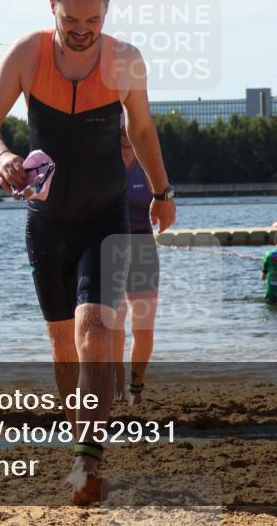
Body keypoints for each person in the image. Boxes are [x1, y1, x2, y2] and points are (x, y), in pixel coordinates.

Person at [0, 0, 176, 505]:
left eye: (93, 20)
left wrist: (162, 193)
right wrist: (2, 155)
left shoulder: (125, 61)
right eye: (71, 21)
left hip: (105, 216)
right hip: (46, 222)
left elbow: (143, 130)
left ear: (106, 11)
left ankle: (88, 460)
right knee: (64, 346)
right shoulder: (28, 54)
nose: (82, 31)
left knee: (95, 331)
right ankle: (79, 446)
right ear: (52, 9)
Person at [112, 115, 159, 406]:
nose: (124, 133)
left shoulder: (147, 164)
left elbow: (164, 196)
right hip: (110, 247)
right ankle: (116, 378)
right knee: (114, 320)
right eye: (119, 128)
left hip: (143, 246)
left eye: (128, 128)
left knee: (143, 326)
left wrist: (162, 203)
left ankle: (136, 386)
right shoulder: (103, 165)